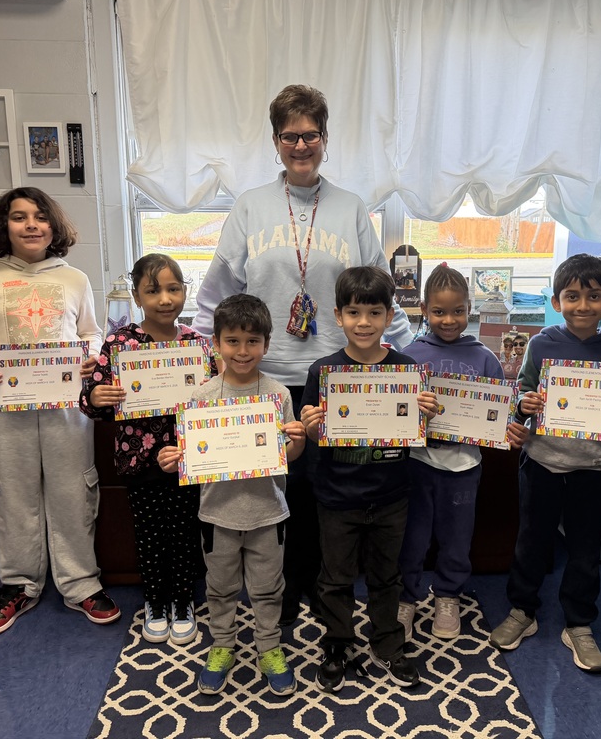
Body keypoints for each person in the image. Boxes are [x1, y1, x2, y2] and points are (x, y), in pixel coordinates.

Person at [192, 84, 414, 627]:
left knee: (324, 498)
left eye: (310, 135)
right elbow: (216, 293)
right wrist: (205, 360)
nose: (300, 145)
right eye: (290, 136)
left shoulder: (351, 208)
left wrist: (410, 362)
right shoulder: (249, 207)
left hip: (337, 379)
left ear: (324, 139)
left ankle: (324, 594)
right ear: (275, 141)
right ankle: (278, 600)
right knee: (271, 497)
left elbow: (377, 290)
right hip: (260, 378)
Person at [0, 186, 120, 638]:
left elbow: (92, 333)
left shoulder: (75, 279)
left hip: (68, 407)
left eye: (40, 217)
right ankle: (19, 585)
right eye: (19, 217)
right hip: (8, 409)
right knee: (13, 495)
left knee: (72, 491)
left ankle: (81, 581)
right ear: (3, 226)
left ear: (54, 225)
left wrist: (90, 357)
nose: (31, 225)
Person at [488, 253, 601, 672]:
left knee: (586, 549)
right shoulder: (541, 343)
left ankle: (579, 624)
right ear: (556, 301)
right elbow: (521, 395)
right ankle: (522, 612)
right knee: (531, 542)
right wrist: (524, 404)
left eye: (593, 296)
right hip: (542, 462)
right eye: (572, 296)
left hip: (595, 467)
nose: (582, 305)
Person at [299, 266, 438, 692]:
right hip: (337, 495)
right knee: (335, 577)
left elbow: (418, 435)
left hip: (391, 494)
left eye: (374, 313)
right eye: (354, 313)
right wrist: (309, 424)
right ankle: (338, 642)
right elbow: (311, 435)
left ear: (388, 315)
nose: (364, 323)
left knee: (386, 576)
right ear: (338, 315)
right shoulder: (322, 372)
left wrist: (426, 415)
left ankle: (388, 642)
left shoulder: (407, 371)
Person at [160, 294, 307, 696]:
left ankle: (268, 647)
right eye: (232, 341)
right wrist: (174, 457)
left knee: (266, 588)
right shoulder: (203, 397)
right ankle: (223, 643)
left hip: (268, 513)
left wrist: (297, 441)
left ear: (266, 344)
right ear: (216, 343)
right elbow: (190, 454)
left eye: (252, 341)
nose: (243, 351)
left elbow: (288, 456)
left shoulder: (278, 395)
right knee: (220, 587)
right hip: (217, 515)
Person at [80, 254, 208, 646]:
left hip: (189, 458)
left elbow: (216, 397)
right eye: (153, 291)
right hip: (139, 460)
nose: (165, 299)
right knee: (151, 535)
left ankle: (183, 602)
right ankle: (155, 602)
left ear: (186, 291)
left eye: (174, 288)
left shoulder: (197, 344)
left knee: (186, 534)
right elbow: (90, 403)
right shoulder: (119, 343)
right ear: (137, 295)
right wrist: (97, 396)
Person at [398, 265, 530, 642]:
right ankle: (406, 598)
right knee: (413, 538)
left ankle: (447, 595)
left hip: (465, 466)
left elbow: (499, 414)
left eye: (457, 310)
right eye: (439, 311)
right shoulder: (410, 357)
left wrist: (508, 425)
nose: (449, 319)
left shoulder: (484, 357)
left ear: (469, 308)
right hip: (418, 465)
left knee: (457, 538)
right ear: (424, 309)